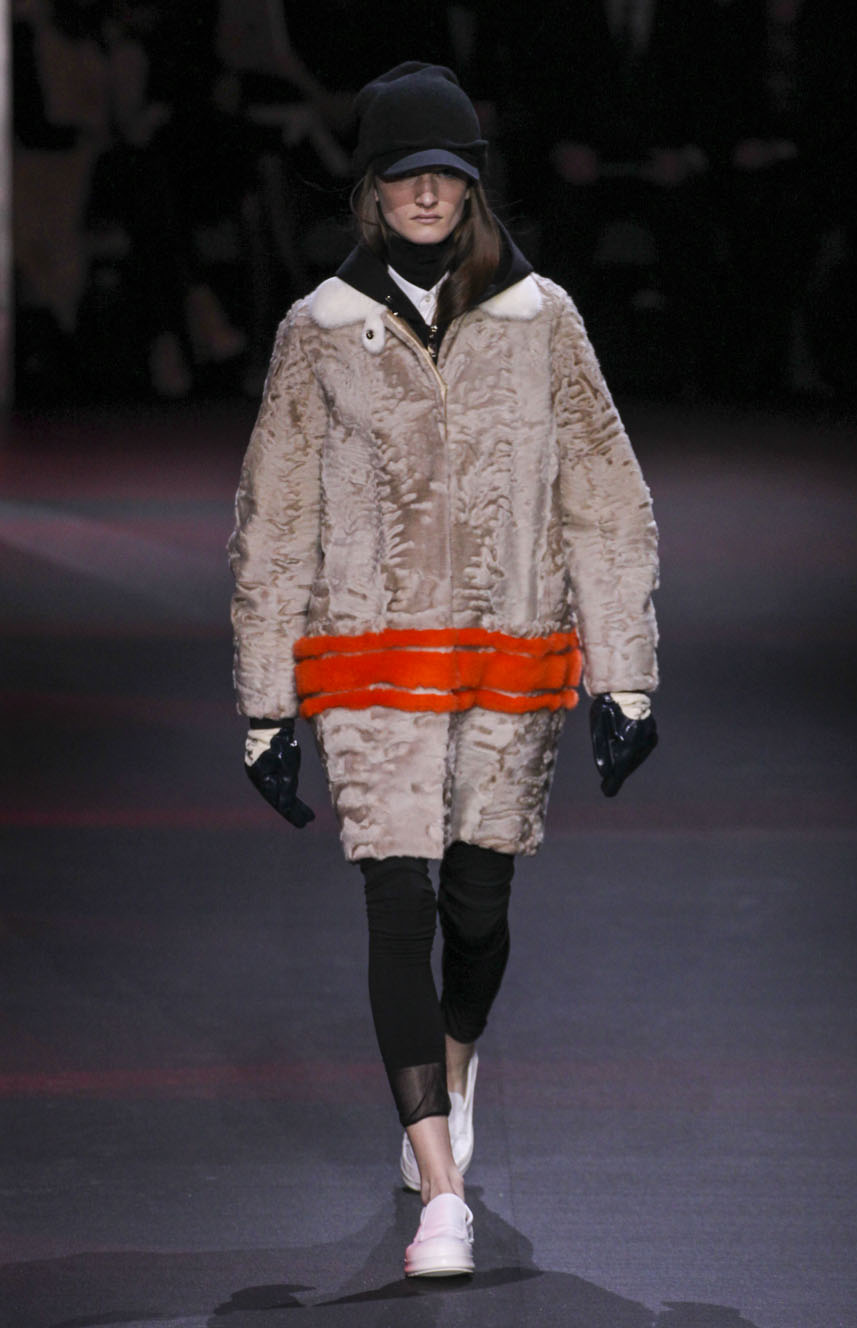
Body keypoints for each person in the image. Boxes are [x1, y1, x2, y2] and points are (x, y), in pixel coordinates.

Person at [228, 62, 660, 1280]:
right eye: (405, 172)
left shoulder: (542, 319)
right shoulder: (319, 330)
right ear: (371, 188)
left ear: (472, 187)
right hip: (369, 663)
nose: (426, 192)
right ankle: (442, 1189)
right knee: (397, 906)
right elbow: (275, 517)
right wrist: (265, 703)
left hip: (510, 658)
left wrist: (625, 675)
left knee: (478, 909)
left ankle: (451, 1075)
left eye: (447, 173)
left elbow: (606, 495)